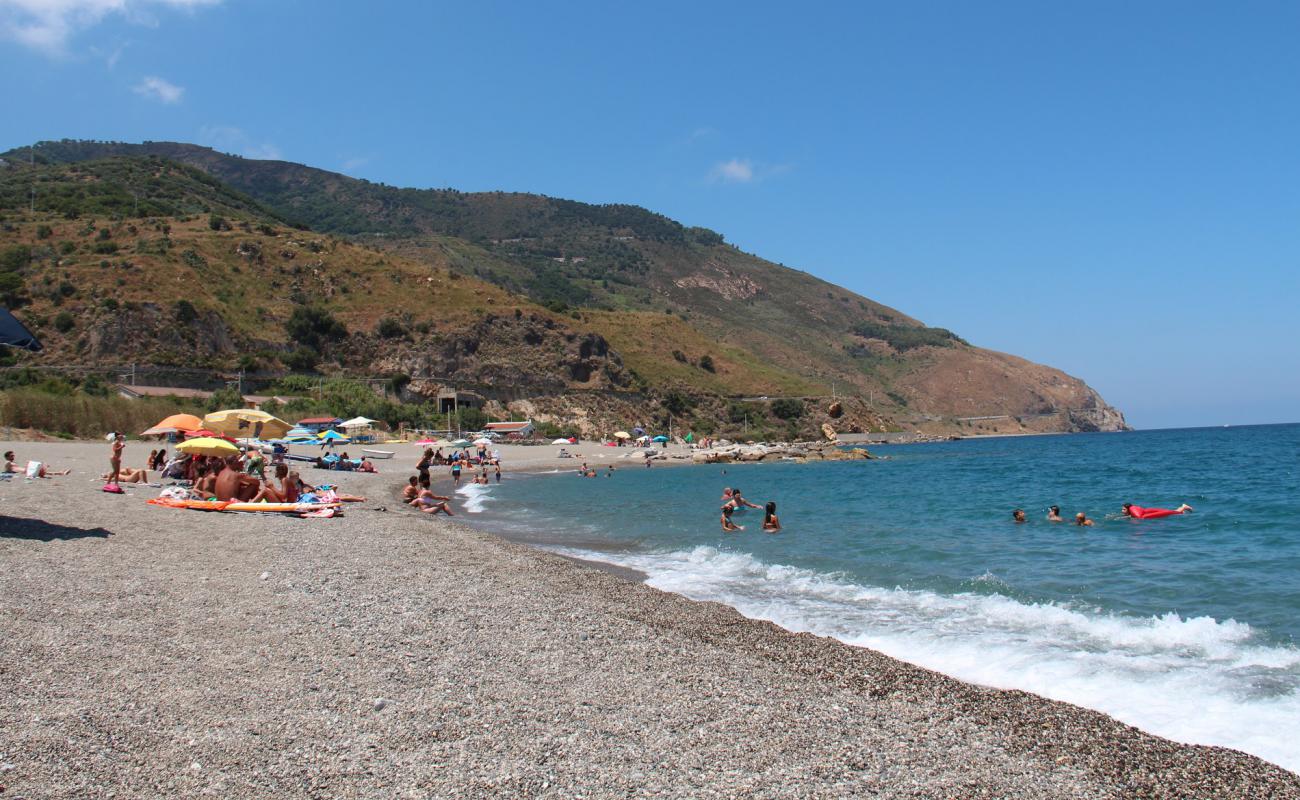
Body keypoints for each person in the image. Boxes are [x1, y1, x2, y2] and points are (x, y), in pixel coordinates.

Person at [1122, 502, 1194, 519]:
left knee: (1176, 513)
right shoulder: (1133, 513)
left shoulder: (1134, 512)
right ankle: (1182, 507)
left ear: (1129, 509)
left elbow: (1139, 517)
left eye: (1124, 509)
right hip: (1147, 512)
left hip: (1145, 514)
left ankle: (1183, 507)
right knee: (1174, 512)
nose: (1122, 511)